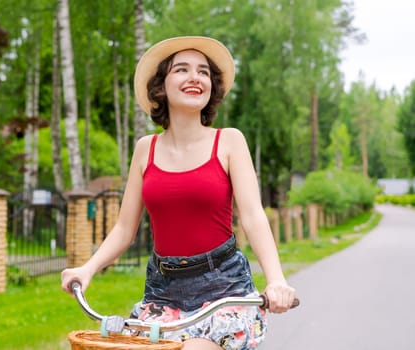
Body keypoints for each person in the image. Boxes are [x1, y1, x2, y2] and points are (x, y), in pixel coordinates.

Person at [61, 36, 296, 350]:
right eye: (182, 70)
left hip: (223, 289)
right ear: (161, 86)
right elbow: (123, 228)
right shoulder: (146, 149)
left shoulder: (229, 142)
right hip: (162, 292)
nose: (195, 77)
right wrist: (87, 269)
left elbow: (253, 216)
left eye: (203, 72)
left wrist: (276, 280)